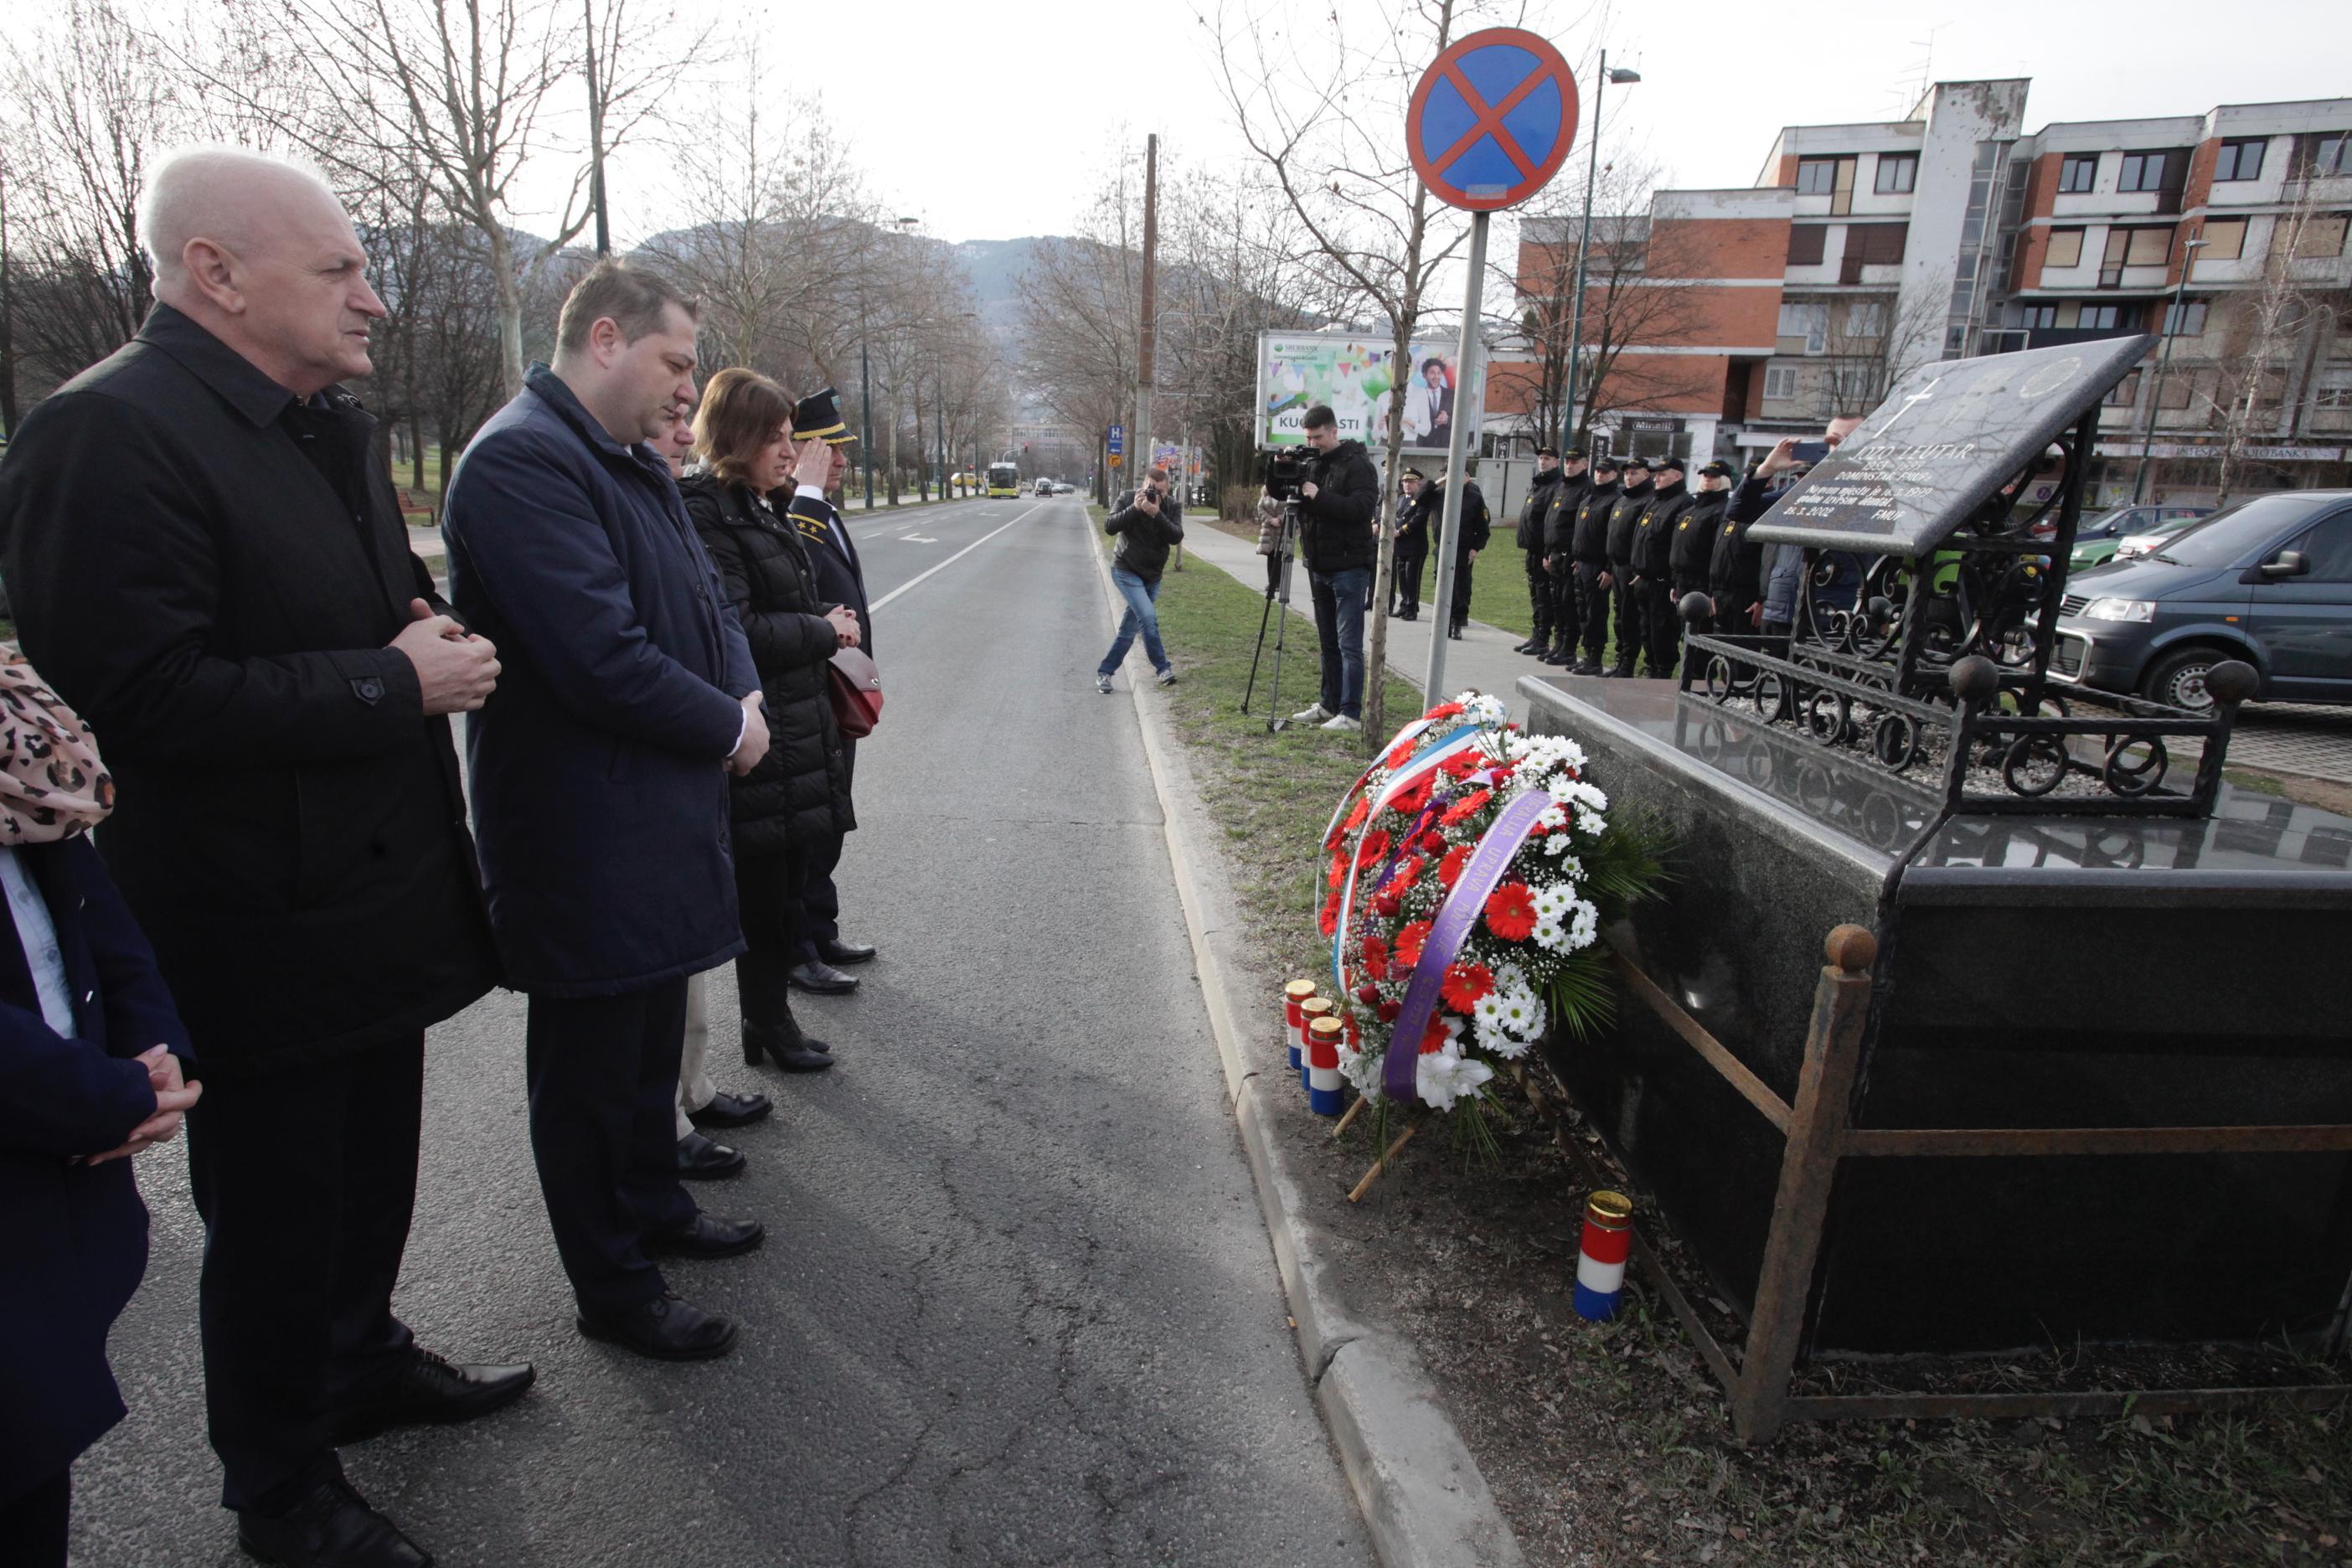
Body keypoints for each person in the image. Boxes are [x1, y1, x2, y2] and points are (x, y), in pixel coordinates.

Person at [0, 146, 527, 1568]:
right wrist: (388, 682)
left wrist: (429, 633)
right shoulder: (101, 437)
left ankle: (359, 1359)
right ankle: (280, 1485)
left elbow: (375, 606)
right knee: (281, 1222)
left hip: (377, 902)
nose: (371, 297)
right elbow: (138, 702)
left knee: (371, 1184)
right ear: (214, 273)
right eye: (341, 270)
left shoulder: (326, 424)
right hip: (255, 926)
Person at [441, 258, 767, 1365]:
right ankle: (614, 1287)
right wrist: (729, 728)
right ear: (607, 339)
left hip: (651, 822)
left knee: (639, 1062)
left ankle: (656, 1210)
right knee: (586, 1080)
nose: (688, 389)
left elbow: (707, 602)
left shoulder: (626, 463)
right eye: (677, 363)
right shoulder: (522, 464)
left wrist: (746, 686)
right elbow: (598, 659)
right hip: (583, 834)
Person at [0, 654, 202, 1568]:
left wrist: (155, 1058)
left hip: (58, 1177)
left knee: (34, 1465)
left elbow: (93, 907)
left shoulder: (18, 721)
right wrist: (108, 1097)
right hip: (42, 1130)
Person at [680, 370, 858, 1086]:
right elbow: (738, 629)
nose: (792, 452)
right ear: (738, 438)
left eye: (791, 437)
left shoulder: (759, 506)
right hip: (765, 731)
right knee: (762, 900)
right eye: (777, 438)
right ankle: (768, 1023)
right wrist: (823, 631)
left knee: (783, 891)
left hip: (796, 724)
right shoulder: (710, 512)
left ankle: (770, 1019)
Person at [652, 407, 775, 1178]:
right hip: (663, 757)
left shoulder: (662, 493)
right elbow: (617, 650)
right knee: (656, 972)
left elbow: (720, 617)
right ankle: (662, 1123)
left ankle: (691, 1089)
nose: (682, 419)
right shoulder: (542, 469)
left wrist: (743, 699)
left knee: (689, 960)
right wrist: (728, 722)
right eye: (670, 397)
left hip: (703, 746)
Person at [776, 389, 876, 998]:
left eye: (842, 450)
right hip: (804, 689)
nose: (840, 462)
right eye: (829, 450)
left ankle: (821, 927)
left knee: (831, 818)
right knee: (807, 827)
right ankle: (797, 950)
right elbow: (788, 583)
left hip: (837, 684)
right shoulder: (789, 510)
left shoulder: (827, 510)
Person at [1284, 405, 1380, 734]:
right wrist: (1281, 467)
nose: (1313, 443)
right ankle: (1329, 704)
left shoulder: (1359, 465)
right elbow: (1280, 492)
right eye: (1308, 437)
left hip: (1349, 567)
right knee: (1327, 640)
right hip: (1319, 564)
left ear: (1334, 431)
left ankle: (1351, 713)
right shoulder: (1310, 463)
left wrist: (1319, 495)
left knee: (1348, 643)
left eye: (1318, 437)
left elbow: (1362, 508)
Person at [1745, 415, 1866, 642]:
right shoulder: (1808, 486)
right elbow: (1742, 512)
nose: (1836, 447)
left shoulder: (1875, 486)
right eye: (1831, 440)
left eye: (1847, 439)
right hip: (1785, 607)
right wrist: (1765, 470)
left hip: (1836, 613)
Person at [1095, 464, 1184, 693]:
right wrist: (1135, 509)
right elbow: (1109, 526)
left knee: (1128, 630)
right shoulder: (1127, 498)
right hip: (1126, 570)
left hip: (1152, 576)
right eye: (1152, 489)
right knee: (1148, 618)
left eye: (1162, 492)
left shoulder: (1172, 506)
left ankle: (1105, 672)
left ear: (1168, 491)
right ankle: (1163, 668)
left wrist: (1157, 514)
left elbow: (1176, 536)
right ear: (1143, 486)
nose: (1156, 495)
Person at [1627, 456, 1693, 678]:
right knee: (1646, 629)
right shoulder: (1655, 500)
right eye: (1656, 474)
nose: (1657, 478)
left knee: (1662, 631)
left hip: (1663, 582)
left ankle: (1662, 673)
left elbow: (1677, 546)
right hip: (1644, 579)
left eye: (1662, 474)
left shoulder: (1683, 503)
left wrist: (1672, 579)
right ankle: (1651, 666)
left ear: (1677, 476)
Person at [1420, 466, 1491, 641]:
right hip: (1441, 547)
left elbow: (1483, 528)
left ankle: (1457, 622)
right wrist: (1439, 482)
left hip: (1463, 548)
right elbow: (1419, 498)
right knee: (1440, 583)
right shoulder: (1438, 494)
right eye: (1447, 474)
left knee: (1459, 586)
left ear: (1467, 476)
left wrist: (1475, 549)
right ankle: (1441, 623)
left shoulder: (1474, 497)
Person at [1565, 456, 1622, 674]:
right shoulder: (1589, 498)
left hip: (1598, 567)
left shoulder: (1613, 500)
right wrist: (1575, 559)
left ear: (1614, 475)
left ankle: (1595, 658)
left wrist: (1608, 568)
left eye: (1605, 472)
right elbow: (1579, 533)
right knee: (1583, 611)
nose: (1600, 475)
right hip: (1581, 563)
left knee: (1595, 613)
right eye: (1598, 471)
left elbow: (1611, 537)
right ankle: (1587, 654)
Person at [1536, 447, 1591, 663]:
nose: (1569, 465)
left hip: (1571, 555)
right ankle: (1558, 644)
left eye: (1574, 462)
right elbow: (1551, 521)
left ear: (1585, 464)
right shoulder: (1562, 487)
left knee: (1569, 604)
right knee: (1556, 602)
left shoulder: (1586, 489)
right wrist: (1547, 552)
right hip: (1555, 554)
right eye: (1568, 462)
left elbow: (1582, 527)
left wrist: (1577, 555)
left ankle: (1569, 648)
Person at [1602, 457, 1655, 675]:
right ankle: (1621, 659)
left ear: (1647, 475)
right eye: (1627, 473)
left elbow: (1641, 541)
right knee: (1620, 618)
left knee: (1631, 618)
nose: (1629, 477)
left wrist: (1637, 570)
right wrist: (1608, 567)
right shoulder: (1623, 500)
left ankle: (1628, 663)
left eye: (1635, 473)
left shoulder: (1648, 500)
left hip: (1632, 570)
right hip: (1616, 567)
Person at [1514, 446, 1566, 655]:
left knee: (1544, 596)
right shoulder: (1539, 484)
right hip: (1532, 550)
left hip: (1543, 550)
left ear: (1556, 461)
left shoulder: (1556, 485)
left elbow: (1551, 522)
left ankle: (1543, 637)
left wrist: (1547, 552)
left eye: (1547, 458)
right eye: (1541, 458)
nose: (1542, 462)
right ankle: (1537, 634)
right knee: (1536, 595)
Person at [1677, 460, 1732, 638]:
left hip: (1703, 583)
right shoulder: (1691, 510)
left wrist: (1711, 590)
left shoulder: (1723, 511)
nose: (1707, 479)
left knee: (1702, 632)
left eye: (1713, 476)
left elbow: (1717, 553)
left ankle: (1699, 667)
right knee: (1683, 632)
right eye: (1705, 475)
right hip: (1682, 581)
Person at [1390, 468, 1429, 620]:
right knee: (1402, 577)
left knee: (1412, 577)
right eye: (1405, 482)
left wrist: (1400, 531)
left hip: (1415, 545)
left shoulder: (1422, 499)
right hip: (1400, 545)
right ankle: (1404, 606)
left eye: (1411, 482)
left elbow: (1417, 519)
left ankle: (1412, 609)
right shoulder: (1401, 498)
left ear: (1418, 484)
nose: (1407, 485)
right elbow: (1394, 515)